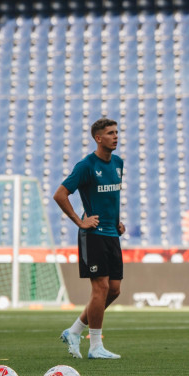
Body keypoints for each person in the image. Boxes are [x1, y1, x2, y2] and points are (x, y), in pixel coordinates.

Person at [54, 118, 125, 360]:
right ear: (98, 138)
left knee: (114, 291)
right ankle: (95, 346)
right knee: (101, 288)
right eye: (110, 133)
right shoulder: (85, 165)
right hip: (93, 235)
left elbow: (111, 198)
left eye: (116, 132)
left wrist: (117, 221)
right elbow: (60, 194)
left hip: (112, 234)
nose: (115, 136)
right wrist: (79, 220)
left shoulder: (118, 163)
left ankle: (74, 331)